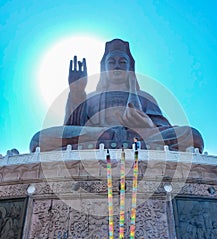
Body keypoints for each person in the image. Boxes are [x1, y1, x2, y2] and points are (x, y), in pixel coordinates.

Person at [30, 38, 204, 153]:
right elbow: (74, 126)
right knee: (39, 139)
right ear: (104, 68)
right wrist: (77, 91)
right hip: (99, 135)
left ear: (130, 68)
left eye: (122, 62)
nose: (117, 66)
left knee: (192, 135)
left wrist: (146, 124)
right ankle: (113, 139)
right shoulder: (91, 97)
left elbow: (162, 127)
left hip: (139, 137)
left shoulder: (144, 97)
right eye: (111, 62)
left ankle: (120, 141)